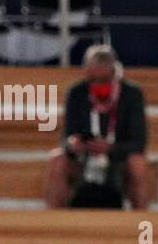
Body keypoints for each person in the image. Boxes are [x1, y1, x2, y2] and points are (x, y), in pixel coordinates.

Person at [45, 44, 149, 209]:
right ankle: (53, 224)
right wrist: (74, 144)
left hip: (117, 161)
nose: (98, 84)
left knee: (138, 163)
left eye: (104, 80)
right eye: (93, 79)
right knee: (57, 160)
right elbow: (66, 137)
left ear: (115, 74)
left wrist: (111, 148)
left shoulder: (132, 94)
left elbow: (139, 142)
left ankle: (142, 223)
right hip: (84, 160)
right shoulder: (77, 93)